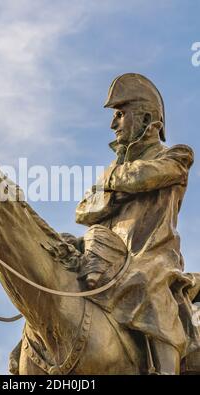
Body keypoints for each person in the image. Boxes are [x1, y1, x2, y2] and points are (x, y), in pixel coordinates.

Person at [76, 73, 200, 374]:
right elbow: (82, 211)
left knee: (147, 279)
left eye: (120, 114)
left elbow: (150, 176)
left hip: (152, 254)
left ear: (144, 116)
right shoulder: (115, 168)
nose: (113, 124)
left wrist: (111, 184)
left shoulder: (176, 155)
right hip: (108, 254)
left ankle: (168, 369)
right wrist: (115, 189)